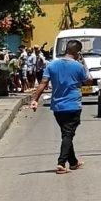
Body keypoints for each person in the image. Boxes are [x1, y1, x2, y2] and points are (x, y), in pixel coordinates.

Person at [33, 43, 86, 171]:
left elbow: (43, 83)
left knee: (66, 133)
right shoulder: (79, 66)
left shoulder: (52, 65)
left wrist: (34, 99)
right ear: (78, 52)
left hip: (57, 107)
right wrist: (83, 64)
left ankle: (73, 162)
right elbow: (88, 80)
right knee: (68, 134)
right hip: (73, 105)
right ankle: (61, 163)